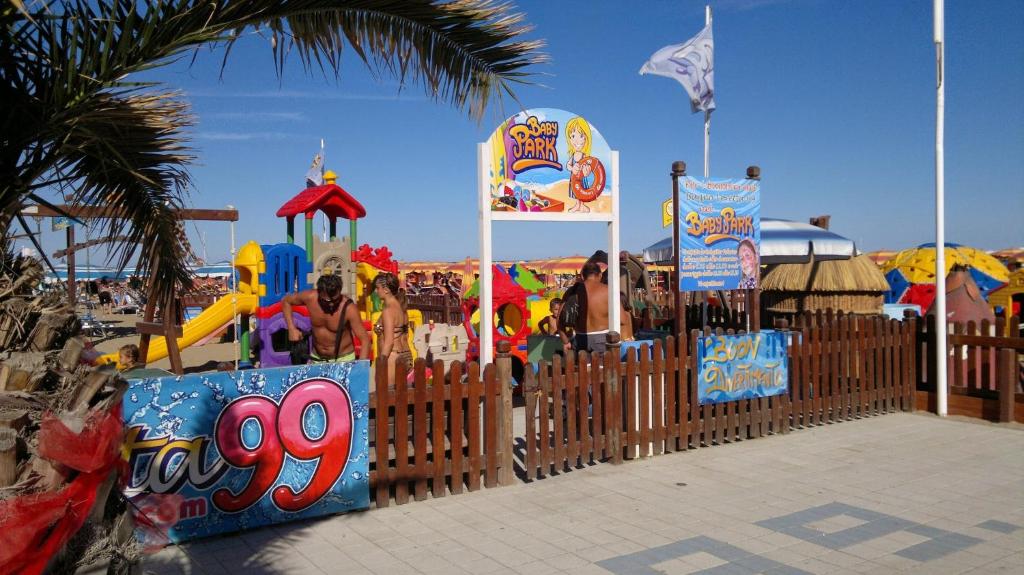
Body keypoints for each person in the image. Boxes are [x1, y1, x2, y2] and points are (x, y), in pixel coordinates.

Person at [283, 273, 371, 362]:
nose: (331, 304)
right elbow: (286, 301)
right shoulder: (310, 298)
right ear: (319, 293)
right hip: (317, 358)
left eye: (335, 300)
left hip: (343, 359)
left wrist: (360, 367)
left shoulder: (349, 309)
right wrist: (291, 328)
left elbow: (365, 340)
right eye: (327, 301)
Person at [558, 261, 609, 354]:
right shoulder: (607, 290)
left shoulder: (572, 291)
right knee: (602, 368)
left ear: (582, 276)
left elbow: (559, 319)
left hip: (579, 340)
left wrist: (565, 341)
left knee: (582, 368)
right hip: (601, 340)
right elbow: (622, 319)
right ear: (600, 275)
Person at [372, 272, 413, 380]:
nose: (376, 291)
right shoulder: (402, 308)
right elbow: (405, 335)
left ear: (386, 290)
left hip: (393, 356)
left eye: (377, 288)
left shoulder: (388, 310)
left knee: (387, 394)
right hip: (406, 354)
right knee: (402, 394)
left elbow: (389, 342)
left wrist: (381, 362)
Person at [565, 116, 593, 213]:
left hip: (581, 179)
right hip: (573, 179)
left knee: (581, 193)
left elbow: (588, 167)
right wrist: (572, 168)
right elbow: (568, 165)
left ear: (586, 138)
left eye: (580, 136)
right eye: (573, 136)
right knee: (575, 193)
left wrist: (586, 172)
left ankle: (582, 206)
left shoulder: (584, 156)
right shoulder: (573, 155)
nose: (576, 140)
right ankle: (577, 206)